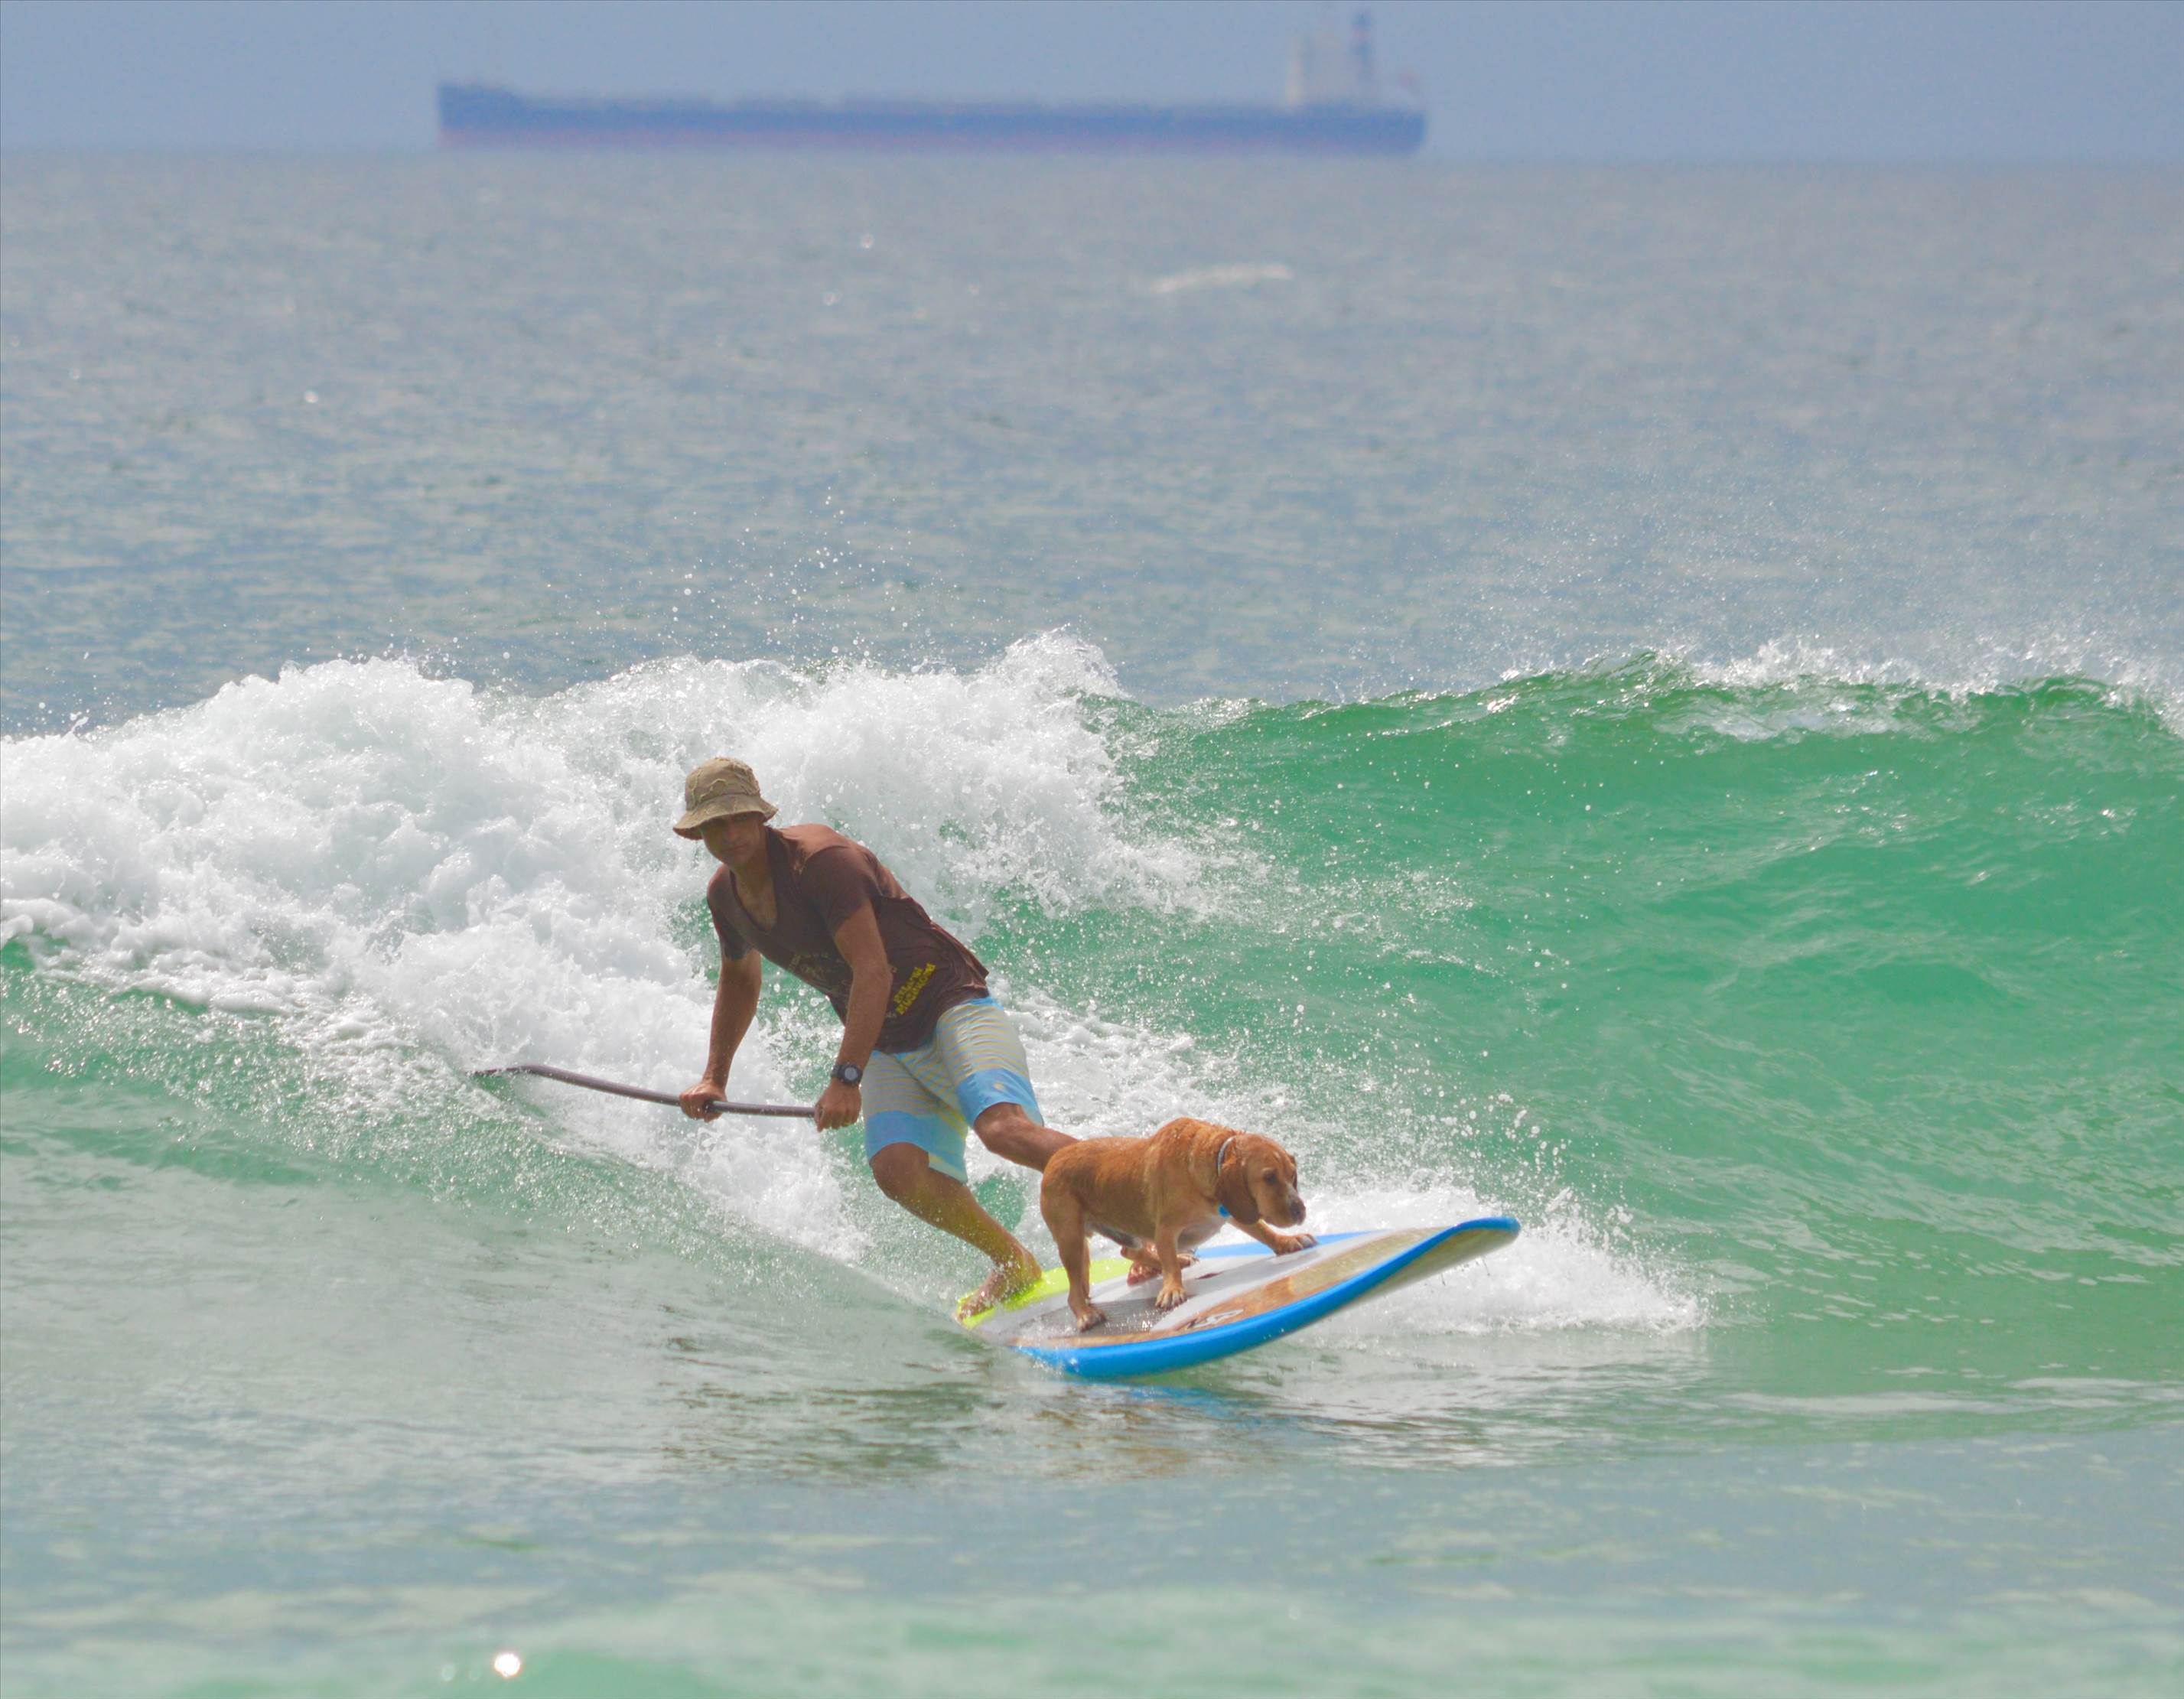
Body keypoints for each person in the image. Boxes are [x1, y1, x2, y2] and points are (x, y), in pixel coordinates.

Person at [673, 757, 1069, 1316]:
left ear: (761, 816)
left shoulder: (821, 863)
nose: (731, 834)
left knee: (1005, 1132)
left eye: (740, 818)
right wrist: (714, 1076)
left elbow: (873, 971)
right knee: (897, 1171)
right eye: (716, 824)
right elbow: (739, 977)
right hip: (886, 1037)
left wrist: (846, 1078)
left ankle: (1144, 1211)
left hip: (949, 1003)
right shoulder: (725, 897)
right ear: (698, 833)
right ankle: (1013, 1262)